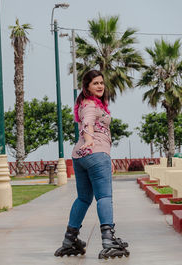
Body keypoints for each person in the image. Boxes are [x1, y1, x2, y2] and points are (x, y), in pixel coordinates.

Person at [54, 70, 130, 259]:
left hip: (80, 157)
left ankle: (70, 239)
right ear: (87, 86)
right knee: (104, 196)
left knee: (83, 198)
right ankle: (108, 239)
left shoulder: (85, 103)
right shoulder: (89, 105)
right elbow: (87, 123)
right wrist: (89, 140)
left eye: (101, 83)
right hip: (94, 153)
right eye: (95, 83)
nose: (100, 86)